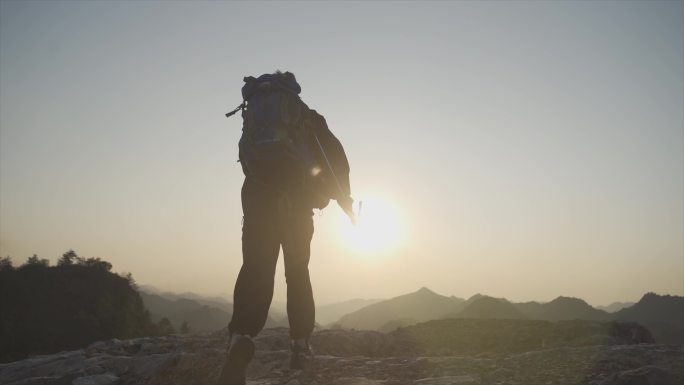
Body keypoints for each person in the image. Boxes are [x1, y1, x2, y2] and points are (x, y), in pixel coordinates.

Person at [218, 71, 353, 385]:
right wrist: (344, 199)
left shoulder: (254, 116)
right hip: (296, 206)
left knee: (255, 268)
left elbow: (245, 158)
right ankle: (300, 346)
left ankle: (240, 337)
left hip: (257, 204)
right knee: (297, 271)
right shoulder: (308, 118)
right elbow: (337, 161)